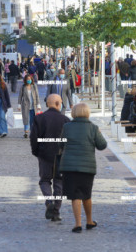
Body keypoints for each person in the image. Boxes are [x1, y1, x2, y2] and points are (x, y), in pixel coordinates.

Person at [59, 103, 107, 233]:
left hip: (69, 167)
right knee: (86, 195)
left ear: (74, 113)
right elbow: (102, 145)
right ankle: (89, 221)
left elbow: (61, 143)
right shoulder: (93, 128)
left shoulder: (67, 127)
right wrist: (99, 133)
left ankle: (78, 224)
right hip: (87, 167)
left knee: (75, 195)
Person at [30, 94, 70, 222]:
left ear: (48, 104)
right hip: (61, 155)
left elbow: (33, 138)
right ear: (58, 104)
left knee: (44, 180)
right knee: (59, 182)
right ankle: (56, 211)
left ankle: (49, 200)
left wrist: (37, 152)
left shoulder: (39, 118)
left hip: (44, 154)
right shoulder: (65, 120)